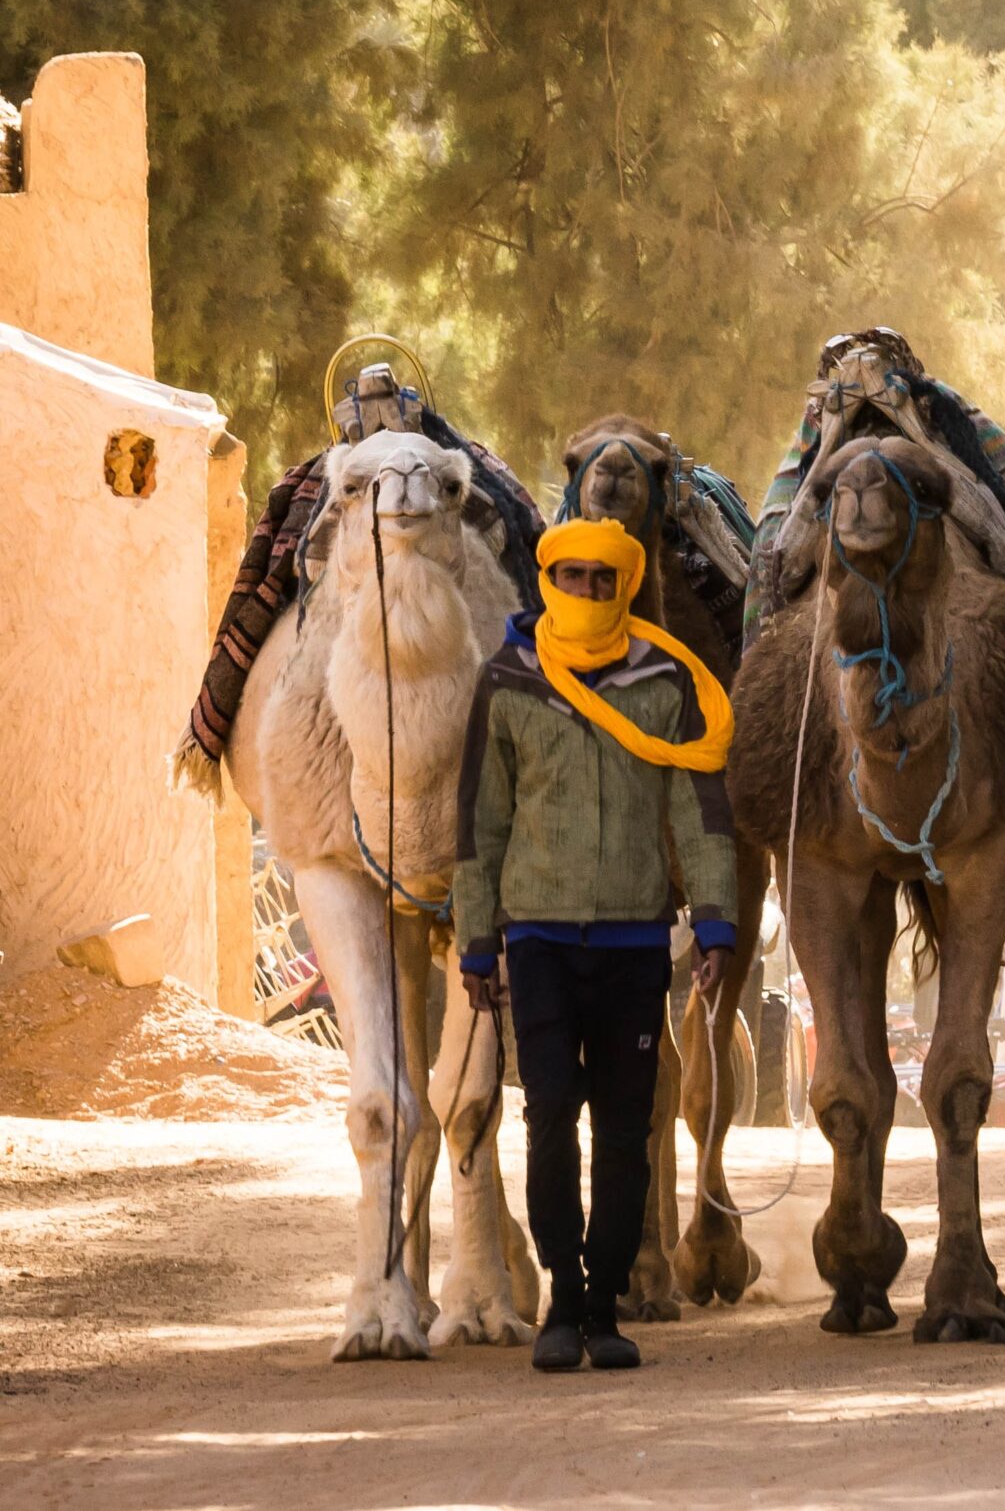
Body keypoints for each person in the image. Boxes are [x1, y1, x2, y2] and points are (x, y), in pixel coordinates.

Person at [453, 519, 740, 1373]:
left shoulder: (664, 682)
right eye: (569, 575)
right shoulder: (507, 679)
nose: (583, 589)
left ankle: (606, 1300)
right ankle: (562, 1302)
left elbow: (699, 808)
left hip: (634, 938)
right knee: (548, 1122)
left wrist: (716, 919)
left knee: (624, 1129)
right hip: (537, 938)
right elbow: (482, 822)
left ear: (623, 586)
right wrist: (477, 942)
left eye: (599, 578)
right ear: (547, 581)